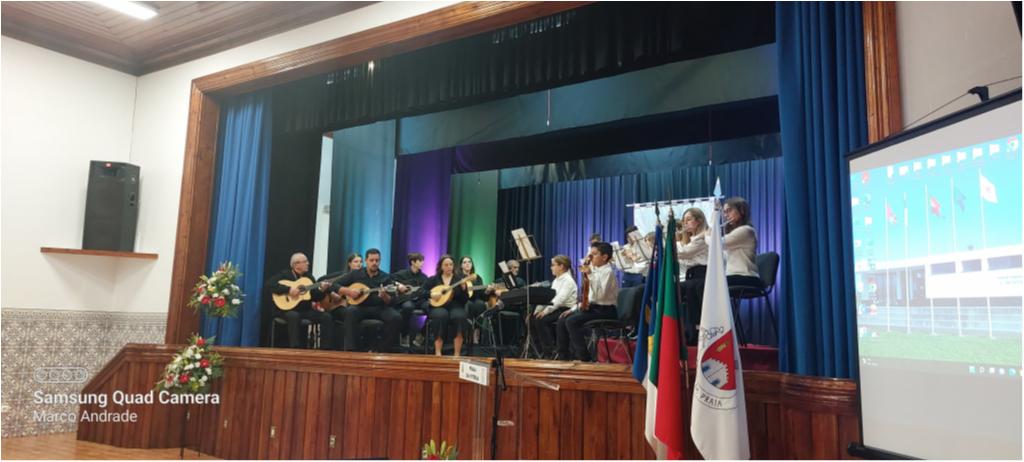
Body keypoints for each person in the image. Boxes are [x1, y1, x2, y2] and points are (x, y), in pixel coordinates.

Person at [684, 197, 761, 345]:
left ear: (741, 211)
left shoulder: (746, 230)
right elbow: (720, 254)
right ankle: (699, 328)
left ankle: (709, 330)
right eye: (724, 212)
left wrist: (708, 234)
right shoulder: (733, 234)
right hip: (733, 276)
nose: (726, 215)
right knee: (696, 285)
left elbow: (717, 244)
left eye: (729, 211)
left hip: (746, 276)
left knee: (702, 285)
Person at [332, 249, 407, 352]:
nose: (374, 263)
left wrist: (384, 296)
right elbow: (334, 284)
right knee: (350, 312)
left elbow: (391, 301)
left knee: (396, 317)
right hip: (360, 307)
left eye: (377, 260)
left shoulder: (385, 277)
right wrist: (348, 291)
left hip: (379, 307)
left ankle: (383, 349)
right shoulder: (355, 274)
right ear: (366, 261)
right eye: (371, 260)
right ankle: (351, 349)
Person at [556, 241, 619, 361]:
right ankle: (563, 357)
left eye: (593, 254)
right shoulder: (594, 271)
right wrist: (573, 309)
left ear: (604, 257)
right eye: (589, 254)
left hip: (606, 310)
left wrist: (590, 275)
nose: (589, 258)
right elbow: (588, 297)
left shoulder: (608, 272)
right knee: (562, 319)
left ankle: (584, 358)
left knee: (572, 321)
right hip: (594, 308)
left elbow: (600, 296)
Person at [265, 253, 336, 349]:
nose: (308, 263)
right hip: (286, 310)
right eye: (305, 261)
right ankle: (295, 348)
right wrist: (289, 289)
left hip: (305, 310)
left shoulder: (309, 277)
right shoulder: (285, 275)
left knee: (326, 316)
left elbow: (315, 297)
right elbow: (269, 284)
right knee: (294, 316)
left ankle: (325, 348)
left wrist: (322, 290)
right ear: (296, 265)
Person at [530, 255, 577, 358]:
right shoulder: (556, 280)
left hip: (565, 310)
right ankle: (539, 350)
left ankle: (549, 351)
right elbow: (548, 298)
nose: (551, 268)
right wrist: (536, 311)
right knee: (532, 319)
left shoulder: (568, 281)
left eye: (553, 265)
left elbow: (559, 300)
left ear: (561, 266)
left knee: (541, 320)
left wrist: (545, 312)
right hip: (555, 308)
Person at [423, 255, 470, 356]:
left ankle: (457, 353)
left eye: (451, 264)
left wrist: (464, 289)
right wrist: (431, 294)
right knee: (440, 316)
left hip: (455, 305)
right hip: (438, 306)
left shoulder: (458, 280)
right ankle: (438, 352)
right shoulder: (433, 279)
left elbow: (465, 300)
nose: (449, 267)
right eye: (446, 265)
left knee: (460, 317)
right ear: (441, 266)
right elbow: (421, 292)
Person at [676, 207, 710, 344]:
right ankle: (684, 331)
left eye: (689, 220)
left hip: (703, 275)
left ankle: (694, 332)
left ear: (699, 220)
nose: (685, 224)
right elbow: (686, 260)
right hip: (692, 275)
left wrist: (675, 241)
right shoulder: (692, 240)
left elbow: (684, 254)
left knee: (679, 289)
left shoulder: (703, 238)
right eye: (684, 221)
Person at [391, 252, 429, 347]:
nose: (422, 263)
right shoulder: (402, 274)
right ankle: (404, 335)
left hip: (420, 300)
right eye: (420, 261)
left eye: (423, 261)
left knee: (432, 307)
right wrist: (398, 285)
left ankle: (422, 334)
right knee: (407, 307)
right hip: (407, 299)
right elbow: (389, 279)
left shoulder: (424, 277)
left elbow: (427, 290)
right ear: (413, 262)